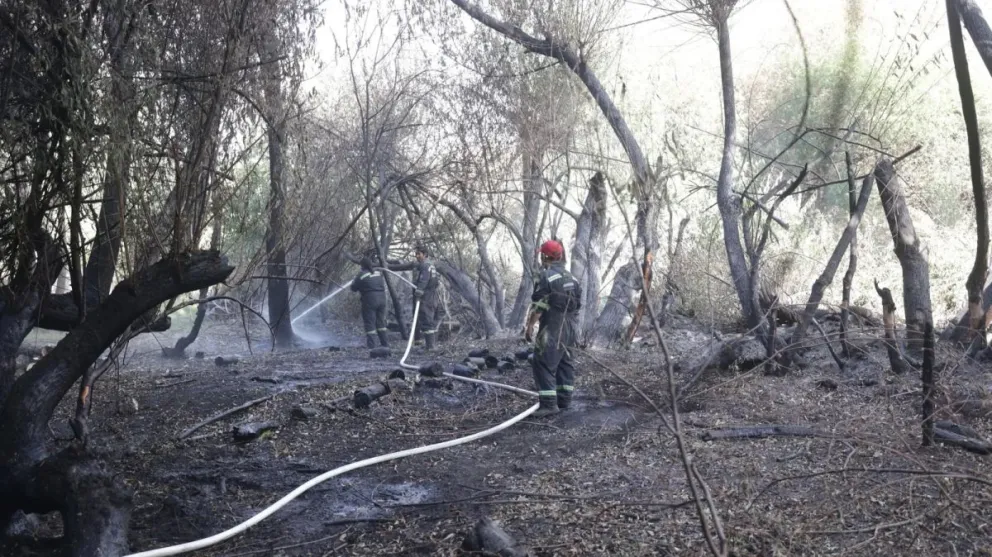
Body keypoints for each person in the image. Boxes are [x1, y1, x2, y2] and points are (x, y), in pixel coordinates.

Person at [524, 239, 582, 418]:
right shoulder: (573, 278)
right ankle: (564, 399)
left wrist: (530, 326)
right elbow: (578, 305)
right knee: (566, 361)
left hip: (553, 326)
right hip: (572, 326)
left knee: (542, 362)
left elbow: (539, 306)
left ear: (544, 256)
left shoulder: (546, 277)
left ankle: (549, 404)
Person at [389, 245, 440, 351]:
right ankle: (427, 344)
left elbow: (423, 280)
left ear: (425, 254)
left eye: (419, 254)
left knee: (426, 320)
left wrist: (419, 291)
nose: (417, 256)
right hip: (431, 295)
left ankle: (430, 347)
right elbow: (435, 281)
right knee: (426, 319)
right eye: (416, 254)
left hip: (427, 296)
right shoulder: (431, 265)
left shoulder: (425, 266)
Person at [350, 257, 390, 349]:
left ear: (362, 266)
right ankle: (385, 344)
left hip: (370, 301)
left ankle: (372, 346)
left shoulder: (361, 275)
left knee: (370, 323)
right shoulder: (378, 273)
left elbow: (353, 288)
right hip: (382, 300)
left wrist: (354, 281)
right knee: (381, 323)